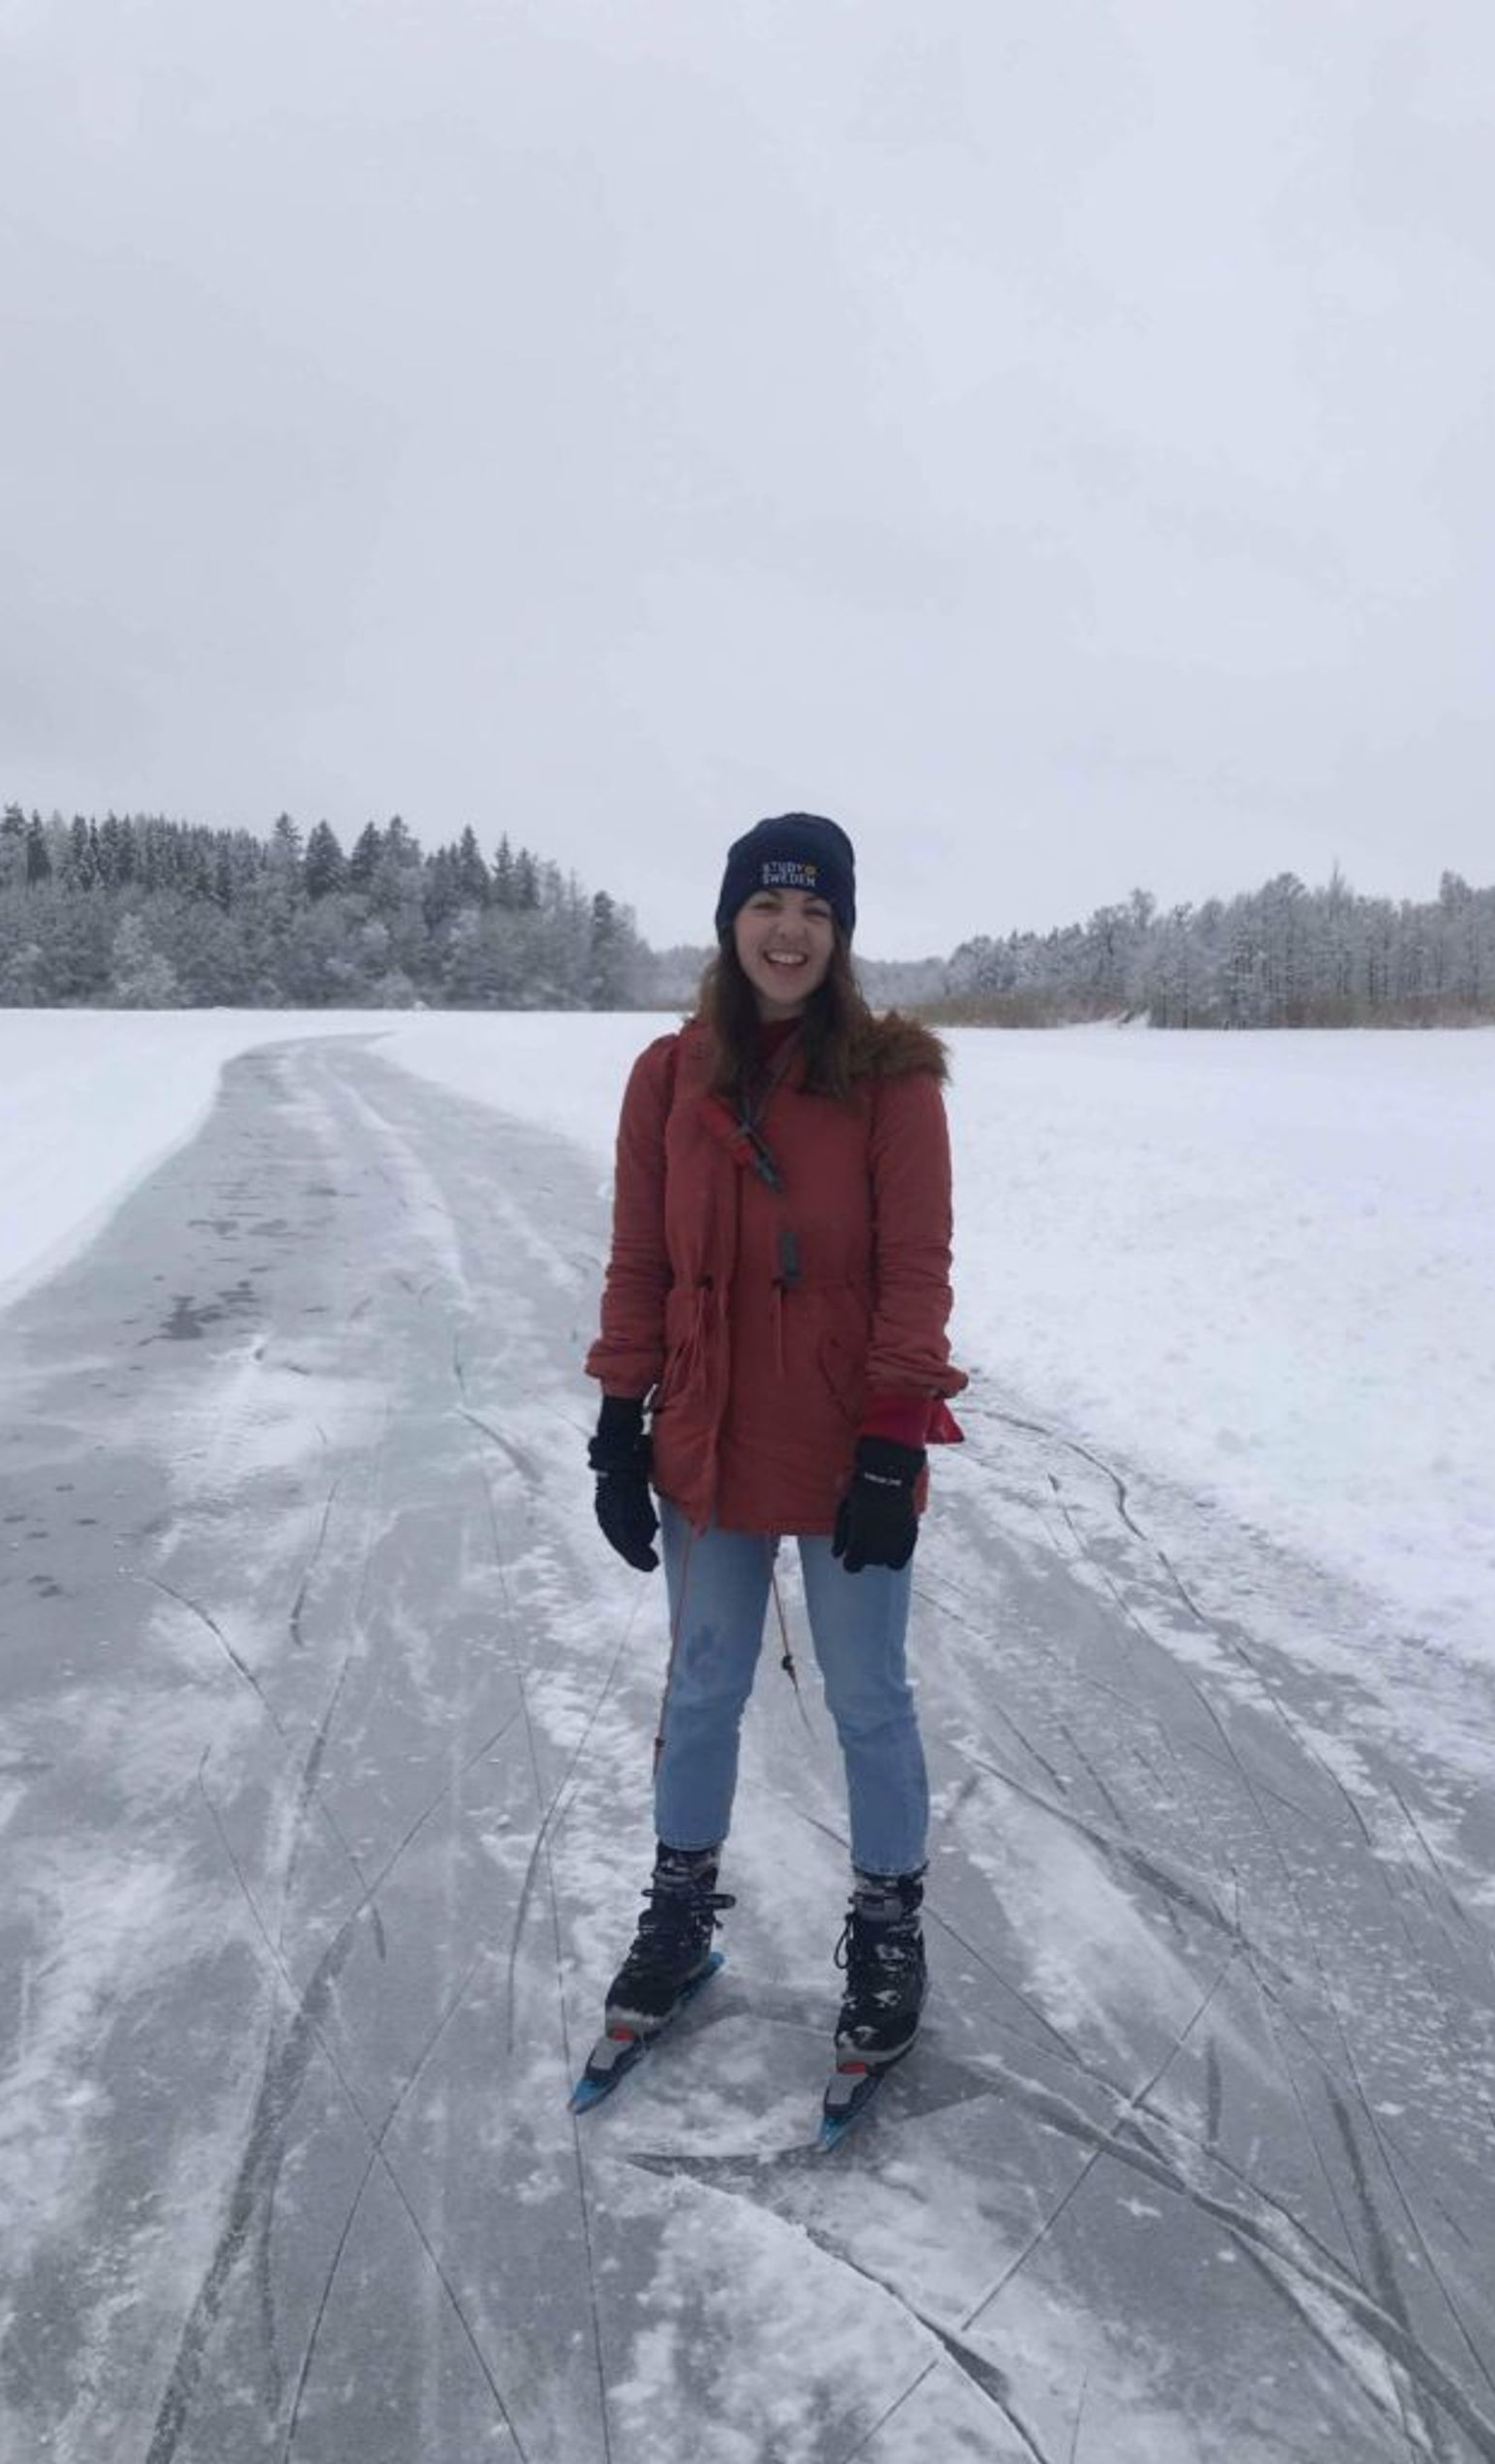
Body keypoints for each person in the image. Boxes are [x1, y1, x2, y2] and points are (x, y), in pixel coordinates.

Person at [580, 812, 965, 2095]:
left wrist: (890, 1442)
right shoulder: (667, 1077)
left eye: (813, 911)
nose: (787, 932)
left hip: (847, 1436)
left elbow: (914, 1276)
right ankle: (681, 1917)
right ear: (730, 921)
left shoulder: (891, 1079)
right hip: (705, 1437)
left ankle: (888, 1931)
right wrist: (617, 1422)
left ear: (841, 931)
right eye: (765, 907)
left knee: (868, 1702)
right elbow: (642, 1258)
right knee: (699, 1690)